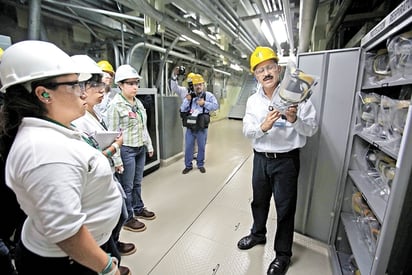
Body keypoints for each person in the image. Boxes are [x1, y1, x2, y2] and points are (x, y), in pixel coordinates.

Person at [0, 40, 123, 275]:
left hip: (82, 250)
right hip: (71, 261)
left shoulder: (52, 131)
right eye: (75, 84)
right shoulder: (45, 152)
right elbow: (67, 233)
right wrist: (107, 267)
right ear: (44, 93)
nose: (83, 91)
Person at [238, 46, 318, 275]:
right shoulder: (253, 101)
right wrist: (262, 127)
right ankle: (257, 234)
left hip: (286, 161)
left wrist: (294, 119)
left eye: (270, 67)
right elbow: (246, 129)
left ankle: (282, 254)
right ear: (255, 75)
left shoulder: (299, 96)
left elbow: (311, 129)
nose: (266, 73)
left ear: (279, 69)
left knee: (285, 209)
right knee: (259, 202)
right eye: (260, 70)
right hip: (261, 159)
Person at [71, 55, 136, 275]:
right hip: (97, 179)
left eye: (103, 84)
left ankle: (113, 246)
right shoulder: (74, 121)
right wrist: (116, 148)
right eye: (97, 84)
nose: (102, 90)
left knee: (120, 210)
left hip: (106, 173)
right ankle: (108, 256)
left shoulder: (93, 111)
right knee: (121, 208)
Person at [106, 64, 156, 233]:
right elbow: (113, 136)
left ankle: (138, 208)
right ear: (120, 85)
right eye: (130, 83)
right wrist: (117, 160)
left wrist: (148, 145)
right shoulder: (115, 106)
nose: (135, 87)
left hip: (140, 148)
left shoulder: (138, 103)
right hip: (126, 150)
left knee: (137, 182)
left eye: (136, 83)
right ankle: (128, 218)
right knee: (126, 186)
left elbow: (143, 127)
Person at [180, 74, 219, 174]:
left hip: (201, 126)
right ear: (193, 86)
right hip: (190, 126)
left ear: (203, 85)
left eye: (200, 84)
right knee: (188, 146)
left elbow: (215, 106)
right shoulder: (190, 96)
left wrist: (204, 103)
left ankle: (200, 164)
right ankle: (188, 165)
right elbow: (182, 109)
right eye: (196, 84)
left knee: (201, 146)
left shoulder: (209, 95)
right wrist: (187, 100)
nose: (198, 87)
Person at [95, 60, 119, 124]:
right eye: (105, 73)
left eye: (111, 74)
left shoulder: (116, 95)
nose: (109, 76)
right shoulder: (91, 94)